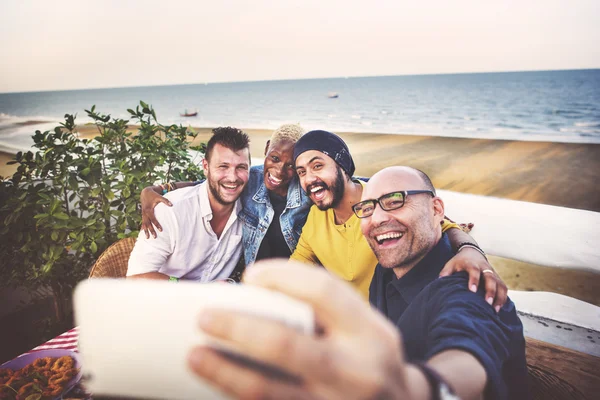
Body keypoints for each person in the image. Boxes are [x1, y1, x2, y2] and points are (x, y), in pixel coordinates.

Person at [187, 166, 528, 400]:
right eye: (367, 208)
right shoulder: (386, 271)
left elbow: (467, 355)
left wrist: (410, 389)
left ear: (438, 209)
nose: (378, 218)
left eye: (396, 200)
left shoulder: (465, 286)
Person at [291, 130, 506, 305]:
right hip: (349, 324)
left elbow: (444, 225)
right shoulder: (315, 217)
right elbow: (299, 262)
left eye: (318, 166)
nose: (310, 179)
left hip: (396, 319)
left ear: (342, 166)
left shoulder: (382, 200)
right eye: (301, 172)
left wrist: (472, 252)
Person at [139, 124, 311, 266]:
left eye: (290, 166)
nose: (279, 171)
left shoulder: (308, 193)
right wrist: (156, 190)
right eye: (274, 158)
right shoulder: (251, 179)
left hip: (292, 286)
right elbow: (207, 184)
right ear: (267, 148)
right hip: (252, 286)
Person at [126, 127, 251, 281]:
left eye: (241, 167)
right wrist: (198, 291)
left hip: (215, 303)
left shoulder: (250, 209)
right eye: (223, 166)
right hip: (162, 301)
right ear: (206, 167)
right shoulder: (171, 211)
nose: (232, 177)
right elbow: (135, 278)